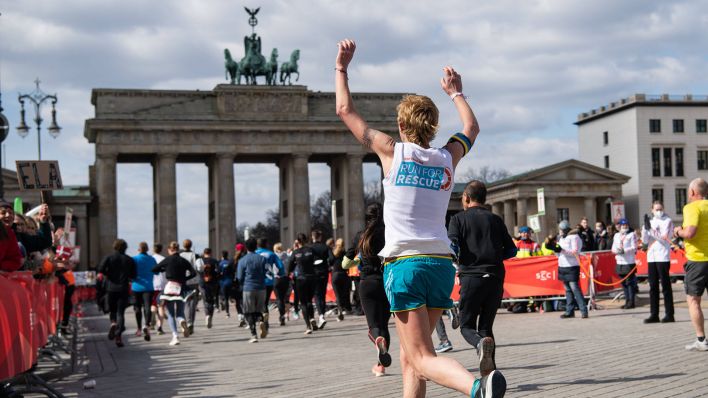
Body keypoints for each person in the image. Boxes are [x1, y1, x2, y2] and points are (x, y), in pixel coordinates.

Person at [336, 39, 506, 397]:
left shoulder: (391, 152)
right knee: (409, 356)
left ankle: (479, 387)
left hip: (406, 266)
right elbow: (472, 128)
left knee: (423, 356)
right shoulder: (447, 157)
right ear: (432, 126)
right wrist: (456, 93)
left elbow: (344, 111)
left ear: (401, 124)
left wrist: (342, 69)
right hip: (441, 265)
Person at [448, 180, 517, 374]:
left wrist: (457, 259)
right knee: (486, 326)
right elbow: (512, 250)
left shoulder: (458, 219)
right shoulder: (496, 219)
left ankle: (479, 344)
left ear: (467, 198)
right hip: (495, 275)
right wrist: (493, 256)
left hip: (472, 276)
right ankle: (490, 374)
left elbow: (452, 245)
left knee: (466, 325)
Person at [346, 203, 392, 377]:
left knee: (374, 326)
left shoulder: (361, 235)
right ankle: (380, 366)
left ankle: (377, 340)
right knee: (384, 324)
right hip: (387, 282)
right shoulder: (390, 232)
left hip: (367, 283)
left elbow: (346, 261)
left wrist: (356, 261)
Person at [673, 178, 708, 351]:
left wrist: (678, 231)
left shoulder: (691, 207)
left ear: (693, 192)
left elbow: (690, 233)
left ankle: (701, 340)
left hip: (698, 261)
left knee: (693, 300)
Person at [152, 241, 197, 346]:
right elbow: (194, 273)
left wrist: (164, 269)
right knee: (180, 312)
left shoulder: (167, 259)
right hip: (182, 287)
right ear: (178, 249)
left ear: (169, 250)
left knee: (171, 313)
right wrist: (185, 278)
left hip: (170, 287)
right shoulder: (183, 260)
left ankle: (175, 336)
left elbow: (154, 269)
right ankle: (181, 321)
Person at [97, 239, 137, 347]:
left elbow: (100, 269)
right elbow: (133, 275)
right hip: (123, 288)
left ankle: (113, 323)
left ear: (114, 247)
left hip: (110, 288)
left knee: (112, 311)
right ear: (125, 247)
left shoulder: (109, 258)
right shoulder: (129, 260)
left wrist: (107, 273)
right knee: (121, 312)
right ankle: (118, 337)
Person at [642, 202, 675, 323]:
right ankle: (654, 314)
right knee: (653, 286)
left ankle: (669, 314)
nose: (659, 211)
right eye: (656, 209)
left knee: (665, 286)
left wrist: (650, 229)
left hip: (663, 255)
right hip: (651, 256)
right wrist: (645, 229)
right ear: (652, 210)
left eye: (660, 209)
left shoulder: (667, 220)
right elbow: (645, 240)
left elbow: (663, 238)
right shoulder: (650, 221)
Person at [555, 221, 588, 319]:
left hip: (572, 265)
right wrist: (556, 250)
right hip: (562, 265)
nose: (560, 231)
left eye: (562, 230)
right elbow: (559, 252)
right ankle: (570, 311)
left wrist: (562, 251)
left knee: (575, 288)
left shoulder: (574, 237)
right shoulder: (561, 238)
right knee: (567, 289)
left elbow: (575, 252)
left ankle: (583, 310)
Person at [237, 238, 269, 343]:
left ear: (246, 247)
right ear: (256, 246)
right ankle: (260, 320)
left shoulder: (242, 260)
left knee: (248, 312)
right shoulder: (262, 259)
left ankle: (253, 334)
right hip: (261, 288)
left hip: (248, 288)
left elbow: (239, 277)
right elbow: (266, 272)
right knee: (258, 310)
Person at [287, 233, 319, 334]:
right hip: (312, 277)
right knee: (309, 300)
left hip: (300, 278)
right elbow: (318, 261)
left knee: (303, 303)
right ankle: (312, 318)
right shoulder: (311, 250)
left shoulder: (295, 252)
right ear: (306, 240)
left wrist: (290, 274)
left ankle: (308, 326)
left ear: (297, 241)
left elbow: (289, 268)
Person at [256, 238, 285, 330]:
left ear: (257, 245)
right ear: (266, 244)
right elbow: (280, 266)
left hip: (257, 282)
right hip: (269, 281)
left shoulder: (254, 254)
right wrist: (281, 274)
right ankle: (265, 321)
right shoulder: (271, 254)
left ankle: (262, 320)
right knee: (265, 302)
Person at [132, 242, 157, 341]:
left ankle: (138, 328)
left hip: (136, 287)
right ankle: (146, 325)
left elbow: (131, 272)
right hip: (149, 287)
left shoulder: (134, 259)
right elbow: (156, 271)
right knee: (147, 307)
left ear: (138, 249)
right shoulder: (152, 259)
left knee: (137, 308)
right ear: (147, 249)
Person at [612, 219, 638, 309]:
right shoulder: (616, 235)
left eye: (626, 225)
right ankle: (627, 301)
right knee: (623, 283)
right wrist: (617, 251)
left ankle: (631, 302)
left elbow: (634, 247)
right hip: (619, 261)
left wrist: (624, 250)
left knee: (629, 283)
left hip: (629, 261)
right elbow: (613, 248)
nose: (624, 226)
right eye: (623, 225)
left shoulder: (632, 235)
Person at [310, 229, 330, 330]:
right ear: (320, 237)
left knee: (317, 295)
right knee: (322, 294)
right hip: (324, 272)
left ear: (312, 237)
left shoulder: (310, 248)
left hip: (314, 273)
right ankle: (322, 316)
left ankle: (321, 316)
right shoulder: (326, 247)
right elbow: (332, 259)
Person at [196, 248, 220, 329]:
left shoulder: (200, 261)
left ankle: (207, 315)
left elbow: (198, 271)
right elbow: (219, 272)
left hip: (203, 283)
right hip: (213, 282)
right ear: (211, 252)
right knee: (211, 300)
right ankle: (210, 316)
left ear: (204, 253)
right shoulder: (214, 261)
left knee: (205, 300)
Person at [180, 239, 199, 335]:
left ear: (183, 246)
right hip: (194, 280)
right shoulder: (195, 255)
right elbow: (199, 267)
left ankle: (188, 321)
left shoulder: (180, 256)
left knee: (185, 302)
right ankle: (191, 322)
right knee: (193, 303)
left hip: (184, 280)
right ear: (191, 246)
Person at [329, 238, 351, 321]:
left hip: (335, 275)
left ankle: (340, 310)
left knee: (337, 295)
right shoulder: (345, 254)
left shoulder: (333, 254)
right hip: (344, 275)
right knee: (344, 293)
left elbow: (330, 262)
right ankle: (345, 309)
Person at [0, 201, 23, 272]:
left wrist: (1, 266)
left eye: (11, 213)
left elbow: (15, 260)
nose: (8, 215)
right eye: (3, 213)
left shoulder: (10, 234)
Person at [273, 243, 292, 325]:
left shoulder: (273, 256)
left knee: (279, 299)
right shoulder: (287, 255)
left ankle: (282, 316)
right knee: (285, 299)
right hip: (286, 278)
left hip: (276, 278)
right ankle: (286, 315)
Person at [151, 243, 167, 335]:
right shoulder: (164, 259)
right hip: (162, 285)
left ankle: (152, 313)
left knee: (153, 305)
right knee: (161, 306)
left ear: (153, 250)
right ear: (161, 250)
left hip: (152, 285)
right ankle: (159, 327)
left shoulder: (151, 259)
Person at [218, 250, 235, 318]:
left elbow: (218, 273)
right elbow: (233, 272)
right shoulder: (230, 263)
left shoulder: (220, 263)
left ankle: (227, 312)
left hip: (223, 282)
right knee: (229, 296)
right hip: (230, 282)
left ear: (222, 255)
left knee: (225, 297)